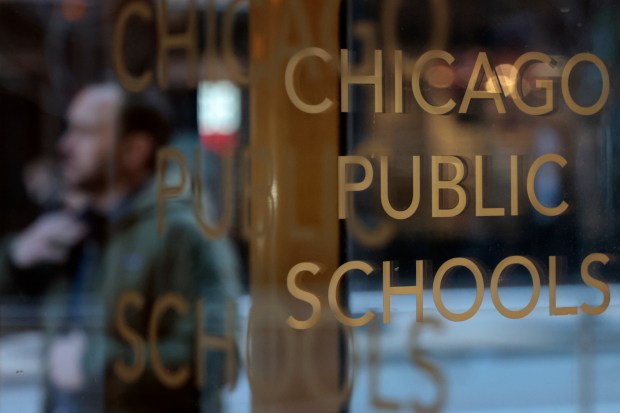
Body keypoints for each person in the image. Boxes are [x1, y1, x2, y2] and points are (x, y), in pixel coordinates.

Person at [0, 83, 240, 413]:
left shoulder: (182, 231)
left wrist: (94, 365)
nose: (65, 145)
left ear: (134, 150)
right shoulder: (77, 229)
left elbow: (216, 359)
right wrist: (17, 257)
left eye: (84, 132)